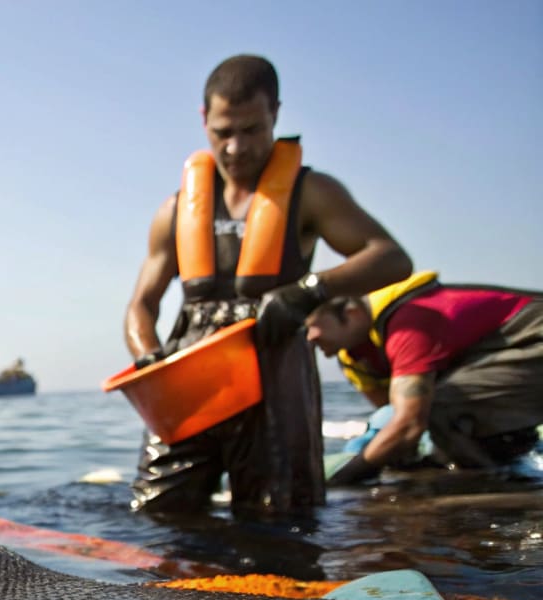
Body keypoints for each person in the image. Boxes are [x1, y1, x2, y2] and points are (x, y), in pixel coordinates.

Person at [122, 54, 411, 516]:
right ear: (204, 120)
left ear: (275, 113)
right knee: (157, 517)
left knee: (279, 524)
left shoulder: (312, 192)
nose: (236, 147)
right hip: (190, 388)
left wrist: (309, 290)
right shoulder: (175, 210)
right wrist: (148, 357)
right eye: (223, 132)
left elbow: (392, 258)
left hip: (273, 381)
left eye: (252, 129)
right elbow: (141, 305)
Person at [305, 272, 543, 483]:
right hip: (494, 363)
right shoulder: (354, 358)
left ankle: (488, 482)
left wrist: (342, 479)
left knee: (437, 406)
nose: (308, 338)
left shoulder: (408, 324)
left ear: (351, 313)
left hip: (532, 335)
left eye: (312, 326)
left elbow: (409, 424)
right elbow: (392, 415)